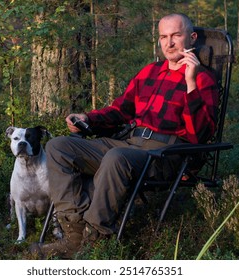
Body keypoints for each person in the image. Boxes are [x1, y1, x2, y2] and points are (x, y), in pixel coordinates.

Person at [31, 13, 219, 259]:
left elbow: (199, 136)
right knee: (58, 147)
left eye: (176, 35)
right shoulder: (150, 72)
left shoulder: (203, 79)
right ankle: (74, 234)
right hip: (129, 142)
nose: (169, 43)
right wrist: (89, 118)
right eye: (164, 36)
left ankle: (95, 237)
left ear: (191, 38)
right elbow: (122, 109)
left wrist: (190, 81)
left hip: (165, 155)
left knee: (117, 157)